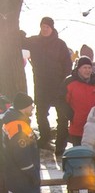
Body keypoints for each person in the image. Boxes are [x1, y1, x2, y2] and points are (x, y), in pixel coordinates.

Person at [1, 93, 56, 193]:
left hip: (24, 174)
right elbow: (21, 153)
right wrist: (31, 172)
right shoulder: (17, 124)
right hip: (21, 175)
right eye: (31, 105)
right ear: (24, 107)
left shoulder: (18, 121)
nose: (33, 108)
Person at [24, 16, 72, 156]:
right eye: (43, 27)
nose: (44, 29)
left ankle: (61, 144)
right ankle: (45, 138)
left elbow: (67, 64)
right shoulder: (34, 41)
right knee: (41, 113)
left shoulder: (59, 44)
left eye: (47, 27)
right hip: (40, 84)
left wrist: (64, 80)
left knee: (61, 115)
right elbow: (21, 41)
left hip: (58, 84)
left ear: (52, 28)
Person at [63, 57, 95, 145]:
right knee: (79, 154)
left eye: (89, 68)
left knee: (94, 155)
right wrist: (70, 116)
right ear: (78, 69)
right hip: (77, 127)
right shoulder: (69, 82)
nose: (87, 70)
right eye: (84, 68)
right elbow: (62, 101)